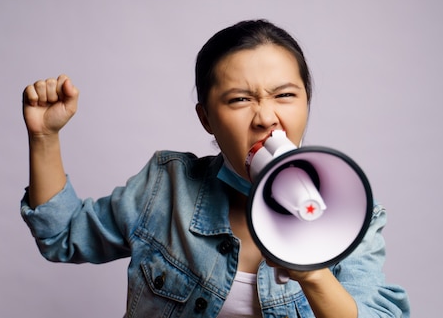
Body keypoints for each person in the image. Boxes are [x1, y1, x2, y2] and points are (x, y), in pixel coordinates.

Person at [21, 19, 410, 317]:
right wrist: (44, 138)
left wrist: (311, 270)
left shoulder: (352, 215)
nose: (266, 118)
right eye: (240, 99)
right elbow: (63, 235)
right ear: (206, 118)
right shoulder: (166, 188)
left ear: (307, 101)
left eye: (285, 95)